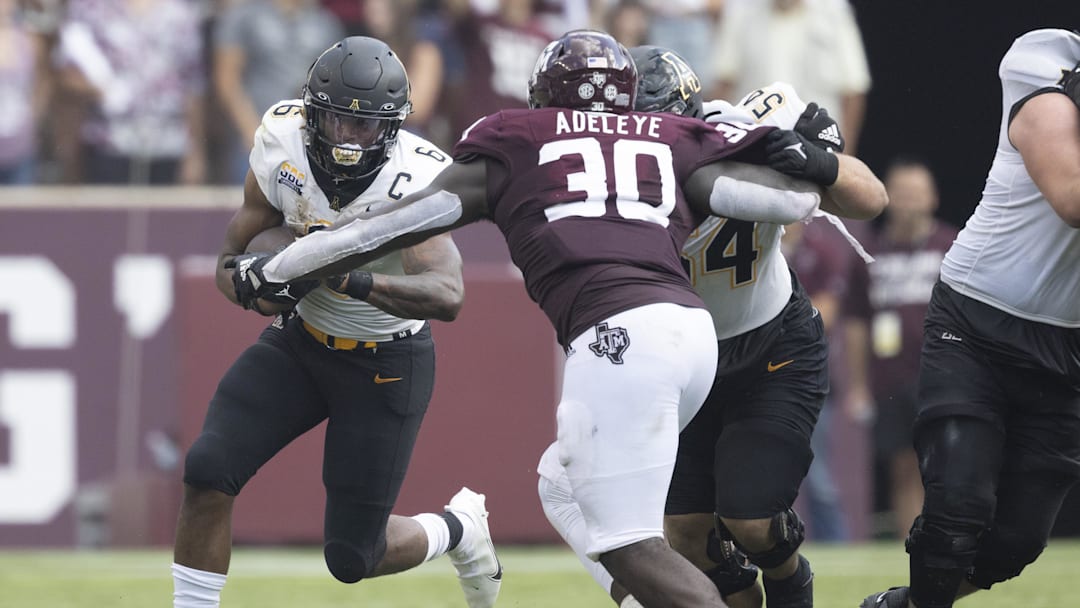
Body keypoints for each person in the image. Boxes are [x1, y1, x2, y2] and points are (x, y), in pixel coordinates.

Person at [250, 30, 885, 607]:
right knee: (617, 505)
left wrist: (280, 270)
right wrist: (800, 155)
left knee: (632, 544)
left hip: (629, 337)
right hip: (692, 335)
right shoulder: (679, 139)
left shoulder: (519, 139)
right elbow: (805, 198)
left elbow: (390, 225)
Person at [534, 46, 886, 608]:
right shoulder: (607, 180)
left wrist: (814, 162)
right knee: (686, 536)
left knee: (751, 522)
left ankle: (792, 579)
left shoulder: (754, 127)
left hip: (773, 343)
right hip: (681, 358)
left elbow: (870, 197)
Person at [171, 36, 501, 608]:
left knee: (354, 557)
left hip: (385, 362)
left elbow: (447, 295)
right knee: (207, 469)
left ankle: (459, 527)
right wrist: (257, 286)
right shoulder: (281, 141)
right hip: (300, 342)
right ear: (310, 113)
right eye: (336, 122)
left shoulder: (415, 176)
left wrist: (338, 273)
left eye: (366, 127)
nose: (349, 139)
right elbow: (232, 260)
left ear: (393, 128)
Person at [861, 28, 1080, 608]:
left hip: (1064, 347)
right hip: (977, 321)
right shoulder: (1047, 74)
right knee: (958, 503)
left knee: (1018, 541)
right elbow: (1073, 197)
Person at [843, 157, 958, 540]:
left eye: (917, 193)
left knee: (949, 464)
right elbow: (857, 321)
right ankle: (913, 543)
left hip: (946, 376)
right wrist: (858, 384)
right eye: (902, 193)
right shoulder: (868, 252)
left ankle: (954, 539)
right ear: (887, 197)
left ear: (933, 197)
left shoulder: (953, 246)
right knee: (903, 466)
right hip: (890, 379)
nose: (909, 202)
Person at [710, 0, 871, 156]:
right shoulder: (742, 11)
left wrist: (845, 158)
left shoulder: (834, 12)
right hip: (756, 152)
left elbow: (853, 91)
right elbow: (724, 84)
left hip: (818, 153)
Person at [212, 0, 344, 183]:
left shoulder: (325, 22)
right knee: (252, 207)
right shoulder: (244, 16)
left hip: (308, 145)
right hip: (256, 139)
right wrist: (251, 131)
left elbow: (334, 83)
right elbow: (227, 79)